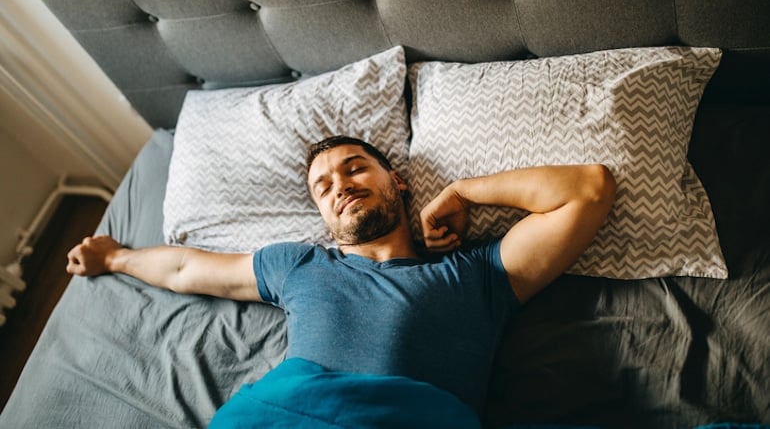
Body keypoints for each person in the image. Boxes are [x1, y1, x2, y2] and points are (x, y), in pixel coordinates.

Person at [66, 135, 616, 427]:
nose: (340, 186)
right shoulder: (298, 265)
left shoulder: (477, 272)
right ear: (322, 214)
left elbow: (588, 189)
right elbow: (187, 269)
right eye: (322, 186)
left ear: (397, 182)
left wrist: (464, 191)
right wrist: (115, 259)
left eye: (355, 168)